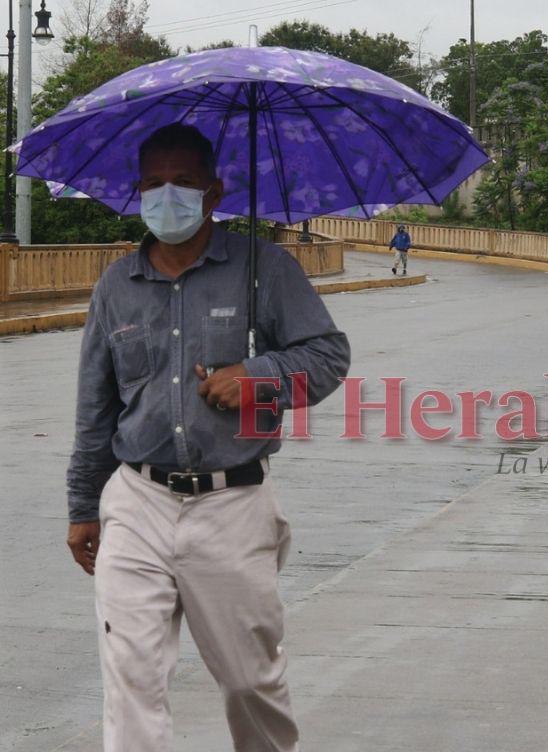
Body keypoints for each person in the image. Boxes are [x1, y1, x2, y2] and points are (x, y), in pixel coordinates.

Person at [65, 123, 351, 751]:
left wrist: (258, 375)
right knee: (131, 677)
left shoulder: (264, 269)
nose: (168, 196)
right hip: (137, 501)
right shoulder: (116, 286)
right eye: (154, 183)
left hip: (233, 502)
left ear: (215, 192)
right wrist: (84, 506)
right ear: (137, 192)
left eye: (184, 183)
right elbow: (96, 407)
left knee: (251, 682)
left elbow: (328, 356)